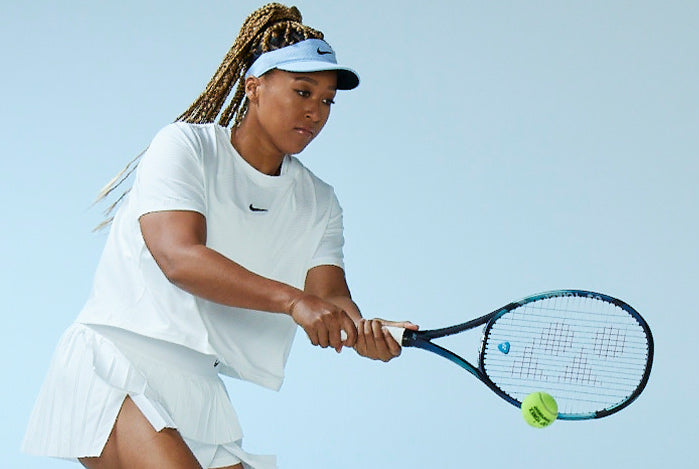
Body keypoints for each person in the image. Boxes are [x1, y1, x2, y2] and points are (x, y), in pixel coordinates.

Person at [21, 4, 412, 468]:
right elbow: (179, 258)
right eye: (303, 91)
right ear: (254, 87)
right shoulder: (185, 147)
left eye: (327, 101)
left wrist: (363, 329)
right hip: (115, 361)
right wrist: (293, 302)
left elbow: (328, 297)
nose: (315, 111)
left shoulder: (319, 200)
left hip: (199, 388)